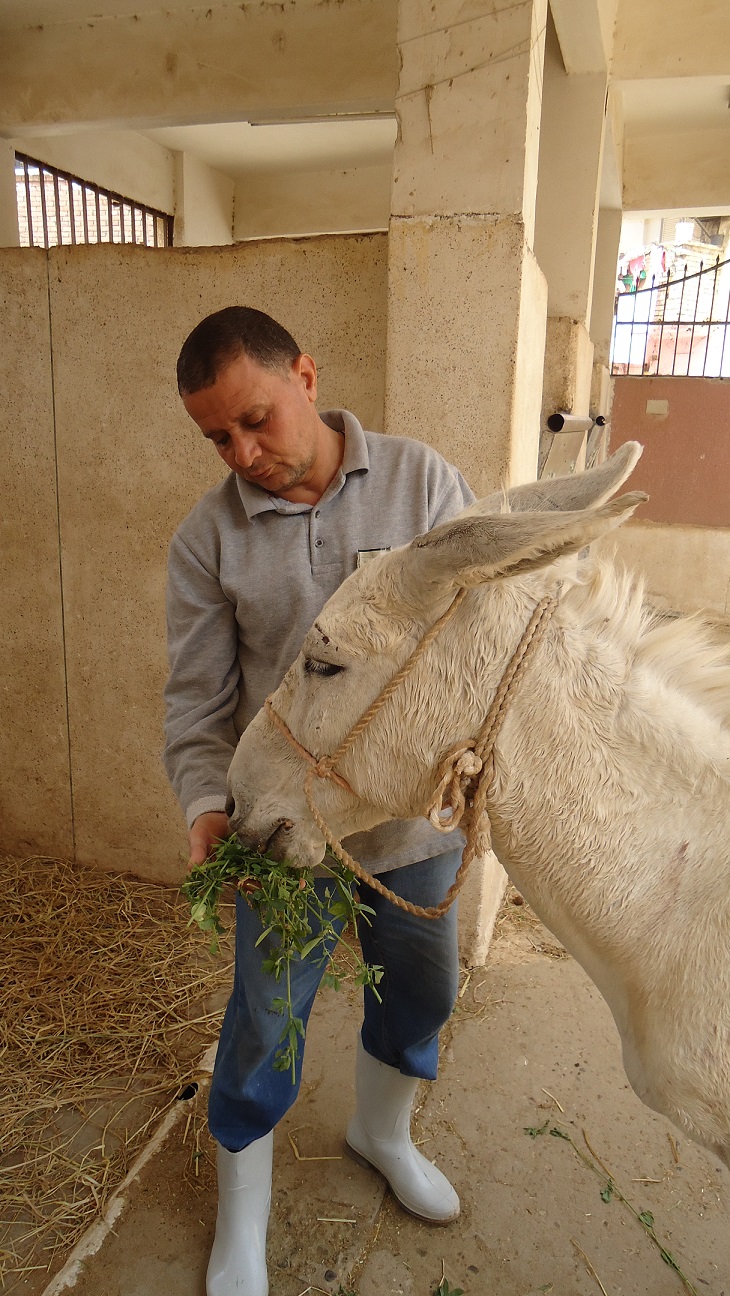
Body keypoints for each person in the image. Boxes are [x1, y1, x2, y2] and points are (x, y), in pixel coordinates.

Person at [163, 307, 474, 1296]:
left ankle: (381, 1135)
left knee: (423, 992)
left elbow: (478, 637)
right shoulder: (206, 541)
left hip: (409, 825)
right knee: (265, 1022)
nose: (244, 452)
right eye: (219, 437)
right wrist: (206, 805)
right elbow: (198, 701)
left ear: (303, 373)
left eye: (256, 419)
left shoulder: (423, 483)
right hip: (285, 835)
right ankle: (241, 1223)